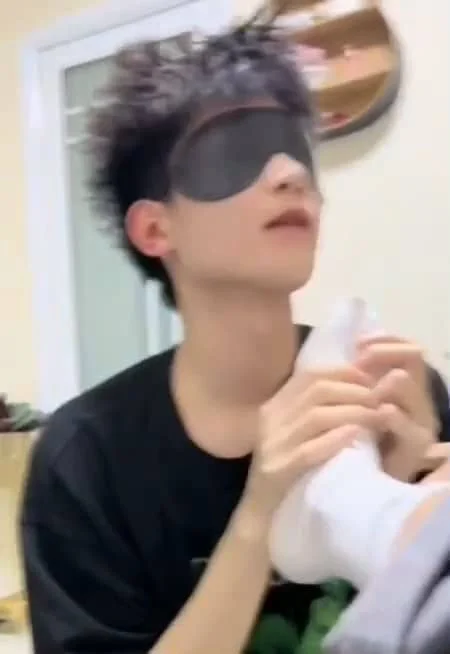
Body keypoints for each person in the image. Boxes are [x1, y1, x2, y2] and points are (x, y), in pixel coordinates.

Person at [20, 23, 450, 654]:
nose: (289, 174)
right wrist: (258, 521)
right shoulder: (85, 462)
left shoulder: (394, 391)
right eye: (234, 155)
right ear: (155, 230)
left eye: (296, 151)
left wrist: (410, 488)